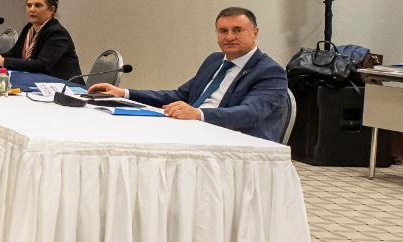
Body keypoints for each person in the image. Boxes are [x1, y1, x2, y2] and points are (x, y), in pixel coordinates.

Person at [90, 7, 289, 142]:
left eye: (237, 30)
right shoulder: (214, 60)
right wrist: (124, 93)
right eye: (223, 31)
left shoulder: (270, 71)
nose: (229, 37)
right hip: (194, 131)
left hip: (236, 143)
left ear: (255, 33)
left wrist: (198, 114)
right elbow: (180, 96)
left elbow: (249, 114)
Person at [0, 0, 81, 81]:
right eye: (29, 5)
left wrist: (3, 61)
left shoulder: (57, 33)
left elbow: (41, 65)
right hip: (37, 81)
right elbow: (14, 53)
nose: (31, 9)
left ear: (51, 10)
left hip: (64, 85)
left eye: (38, 5)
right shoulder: (29, 27)